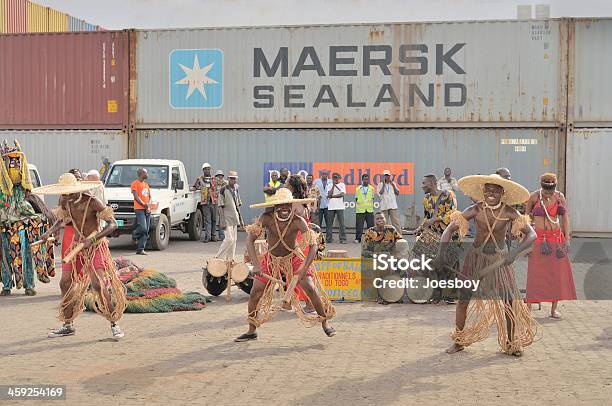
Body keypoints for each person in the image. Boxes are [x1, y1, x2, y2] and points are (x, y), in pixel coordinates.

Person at [440, 174, 538, 357]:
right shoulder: (475, 210)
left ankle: (511, 343)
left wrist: (514, 253)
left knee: (509, 301)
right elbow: (449, 229)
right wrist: (441, 253)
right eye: (488, 190)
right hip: (475, 259)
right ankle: (458, 341)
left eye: (495, 190)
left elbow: (532, 235)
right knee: (463, 300)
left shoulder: (510, 212)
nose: (490, 193)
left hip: (500, 261)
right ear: (483, 192)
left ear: (502, 193)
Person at [235, 188, 336, 342]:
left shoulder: (298, 220)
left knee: (309, 286)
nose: (284, 208)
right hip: (271, 258)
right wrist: (256, 265)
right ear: (275, 206)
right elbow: (249, 240)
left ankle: (325, 321)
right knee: (256, 292)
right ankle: (251, 330)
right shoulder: (266, 218)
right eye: (280, 205)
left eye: (287, 205)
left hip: (293, 257)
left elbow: (313, 245)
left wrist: (304, 268)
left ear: (291, 205)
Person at [36, 173, 126, 339]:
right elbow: (62, 220)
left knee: (98, 284)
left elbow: (112, 224)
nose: (67, 196)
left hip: (95, 245)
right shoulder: (65, 201)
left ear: (77, 190)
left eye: (70, 193)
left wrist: (92, 240)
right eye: (65, 193)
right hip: (76, 246)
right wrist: (47, 233)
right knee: (65, 283)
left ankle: (114, 323)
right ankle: (68, 325)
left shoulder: (92, 202)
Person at [525, 173, 576, 319]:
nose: (549, 194)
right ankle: (528, 308)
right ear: (542, 186)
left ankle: (554, 310)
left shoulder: (559, 197)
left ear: (555, 186)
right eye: (547, 191)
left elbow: (565, 218)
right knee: (535, 274)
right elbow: (525, 218)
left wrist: (567, 238)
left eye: (551, 190)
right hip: (538, 239)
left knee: (557, 275)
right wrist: (525, 238)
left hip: (556, 238)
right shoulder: (534, 197)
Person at [416, 174, 458, 303]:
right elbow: (426, 217)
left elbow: (454, 213)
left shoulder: (448, 195)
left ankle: (451, 295)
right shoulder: (426, 198)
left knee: (450, 265)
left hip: (449, 235)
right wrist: (421, 228)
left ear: (432, 183)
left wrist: (435, 219)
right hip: (433, 235)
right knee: (433, 264)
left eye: (424, 183)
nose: (422, 186)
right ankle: (437, 293)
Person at [216, 171, 243, 261]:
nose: (233, 180)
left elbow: (238, 205)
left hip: (234, 217)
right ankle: (218, 257)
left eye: (234, 178)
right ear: (228, 179)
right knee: (229, 239)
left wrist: (241, 219)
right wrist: (222, 220)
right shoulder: (223, 190)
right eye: (231, 178)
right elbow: (220, 206)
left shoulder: (236, 189)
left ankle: (230, 259)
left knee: (234, 240)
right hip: (226, 217)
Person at [193, 163, 219, 243]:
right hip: (205, 202)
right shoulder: (200, 179)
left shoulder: (214, 178)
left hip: (214, 201)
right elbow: (195, 186)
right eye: (205, 169)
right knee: (207, 220)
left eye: (208, 169)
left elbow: (220, 186)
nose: (207, 170)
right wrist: (198, 189)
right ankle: (207, 237)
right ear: (203, 170)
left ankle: (213, 235)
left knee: (214, 219)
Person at [131, 168, 151, 255]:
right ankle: (135, 234)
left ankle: (140, 249)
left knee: (146, 231)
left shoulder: (146, 185)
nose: (148, 174)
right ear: (142, 174)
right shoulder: (135, 184)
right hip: (139, 209)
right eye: (146, 173)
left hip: (146, 209)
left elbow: (149, 197)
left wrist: (148, 205)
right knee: (143, 228)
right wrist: (144, 205)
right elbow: (136, 197)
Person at [377, 169, 402, 234]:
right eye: (385, 176)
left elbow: (397, 193)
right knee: (384, 222)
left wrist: (393, 185)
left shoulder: (393, 184)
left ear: (389, 176)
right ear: (383, 177)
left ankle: (399, 236)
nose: (386, 177)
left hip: (392, 205)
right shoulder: (380, 184)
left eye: (387, 175)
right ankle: (384, 236)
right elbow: (380, 193)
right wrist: (384, 184)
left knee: (396, 222)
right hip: (384, 206)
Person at [326, 173, 347, 244]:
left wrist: (333, 196)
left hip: (340, 206)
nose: (335, 179)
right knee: (329, 224)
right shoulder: (329, 185)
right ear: (332, 178)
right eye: (334, 178)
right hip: (331, 207)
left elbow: (342, 194)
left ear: (339, 178)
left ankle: (343, 239)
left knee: (342, 223)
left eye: (336, 178)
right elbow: (329, 195)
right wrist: (333, 185)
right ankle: (329, 239)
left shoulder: (342, 185)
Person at [355, 174, 375, 243]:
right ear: (362, 180)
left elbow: (372, 198)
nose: (366, 180)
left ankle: (371, 238)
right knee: (359, 226)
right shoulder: (358, 189)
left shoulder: (372, 188)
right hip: (360, 210)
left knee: (371, 226)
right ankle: (358, 238)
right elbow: (356, 198)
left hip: (369, 210)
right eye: (365, 179)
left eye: (367, 179)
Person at [215, 170, 226, 241]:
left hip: (223, 203)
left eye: (221, 176)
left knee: (223, 219)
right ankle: (218, 235)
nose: (220, 177)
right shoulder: (214, 184)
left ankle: (222, 235)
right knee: (216, 219)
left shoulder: (225, 183)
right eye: (218, 176)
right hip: (216, 203)